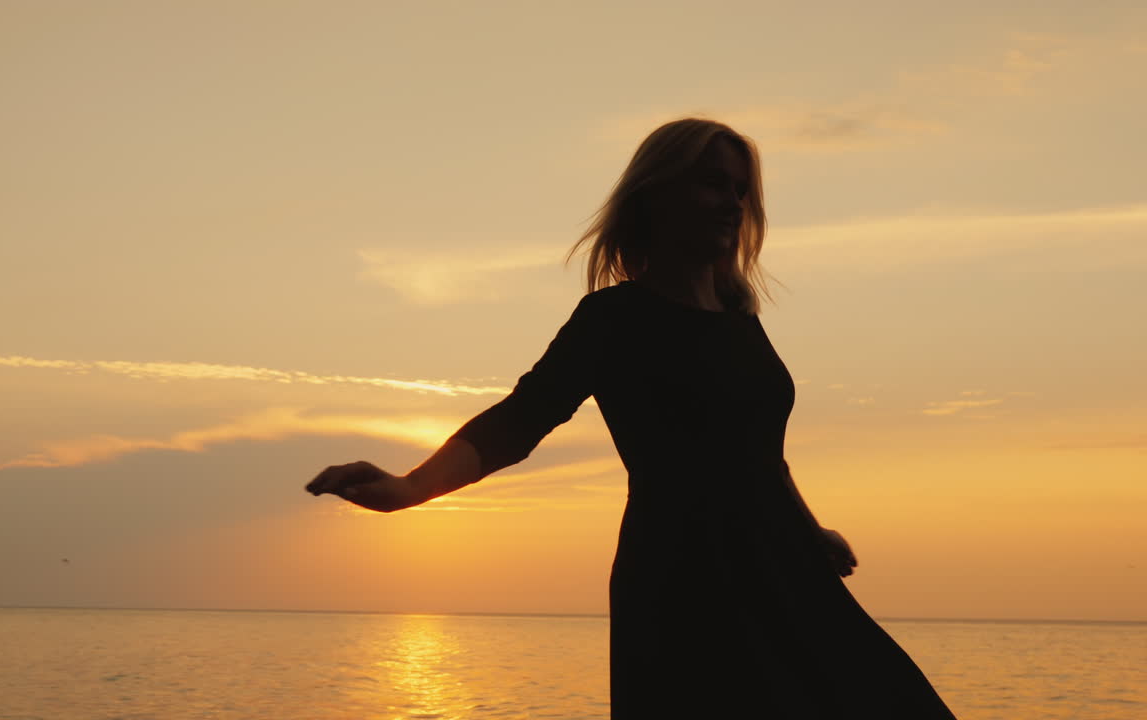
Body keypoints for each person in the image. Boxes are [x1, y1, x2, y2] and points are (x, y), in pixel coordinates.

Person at [306, 117, 959, 718]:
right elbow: (519, 420)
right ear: (658, 195)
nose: (733, 202)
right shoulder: (614, 320)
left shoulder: (742, 322)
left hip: (784, 563)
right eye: (713, 184)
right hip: (685, 572)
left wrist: (809, 530)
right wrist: (407, 489)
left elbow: (759, 451)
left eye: (741, 189)